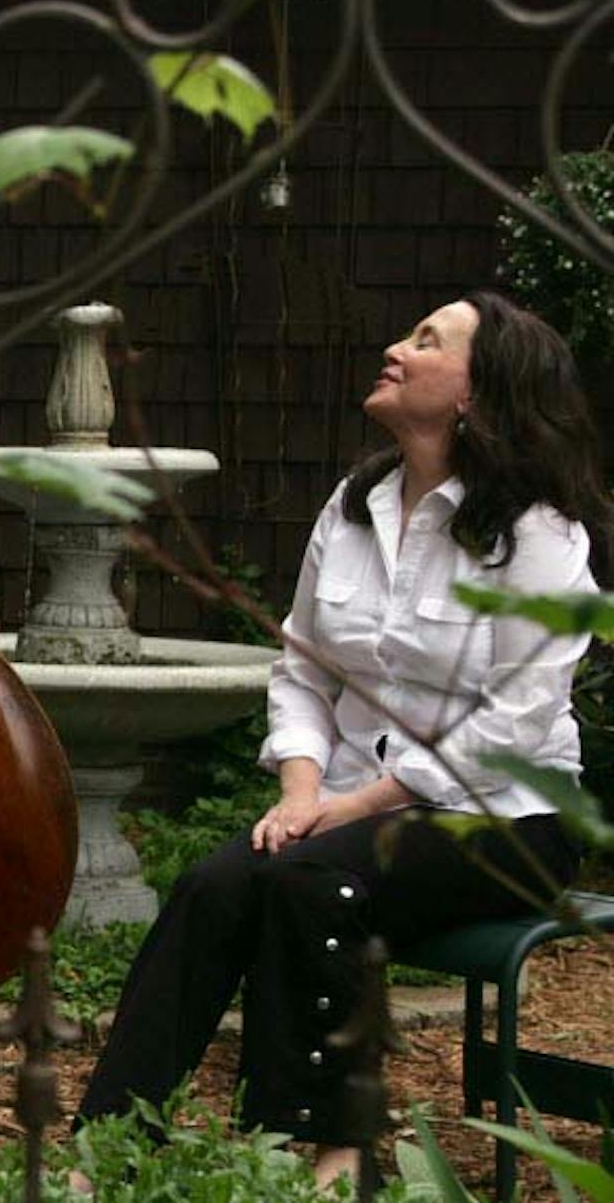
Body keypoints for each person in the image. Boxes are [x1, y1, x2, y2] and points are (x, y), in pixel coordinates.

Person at [75, 290, 610, 1188]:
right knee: (213, 886)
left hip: (510, 818)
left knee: (316, 877)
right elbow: (303, 669)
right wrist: (298, 789)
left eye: (426, 341)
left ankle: (326, 1155)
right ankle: (111, 1141)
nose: (395, 349)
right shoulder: (355, 505)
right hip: (347, 809)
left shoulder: (539, 535)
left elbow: (513, 721)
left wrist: (353, 805)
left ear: (478, 394)